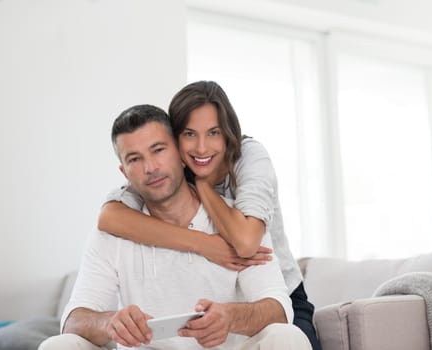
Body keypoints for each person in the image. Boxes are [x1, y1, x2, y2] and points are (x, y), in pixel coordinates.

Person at [39, 105, 311, 350]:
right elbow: (73, 319)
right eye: (134, 159)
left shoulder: (237, 223)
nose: (150, 167)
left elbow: (279, 309)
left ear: (181, 154)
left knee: (288, 337)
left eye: (158, 150)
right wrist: (109, 322)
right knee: (57, 346)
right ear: (124, 173)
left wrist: (230, 317)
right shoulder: (113, 232)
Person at [98, 81, 321, 349]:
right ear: (175, 139)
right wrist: (203, 243)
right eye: (190, 134)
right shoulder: (167, 173)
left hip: (277, 294)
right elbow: (110, 217)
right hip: (219, 297)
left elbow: (247, 243)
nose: (202, 148)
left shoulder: (249, 157)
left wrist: (202, 185)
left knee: (291, 341)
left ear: (228, 134)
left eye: (213, 132)